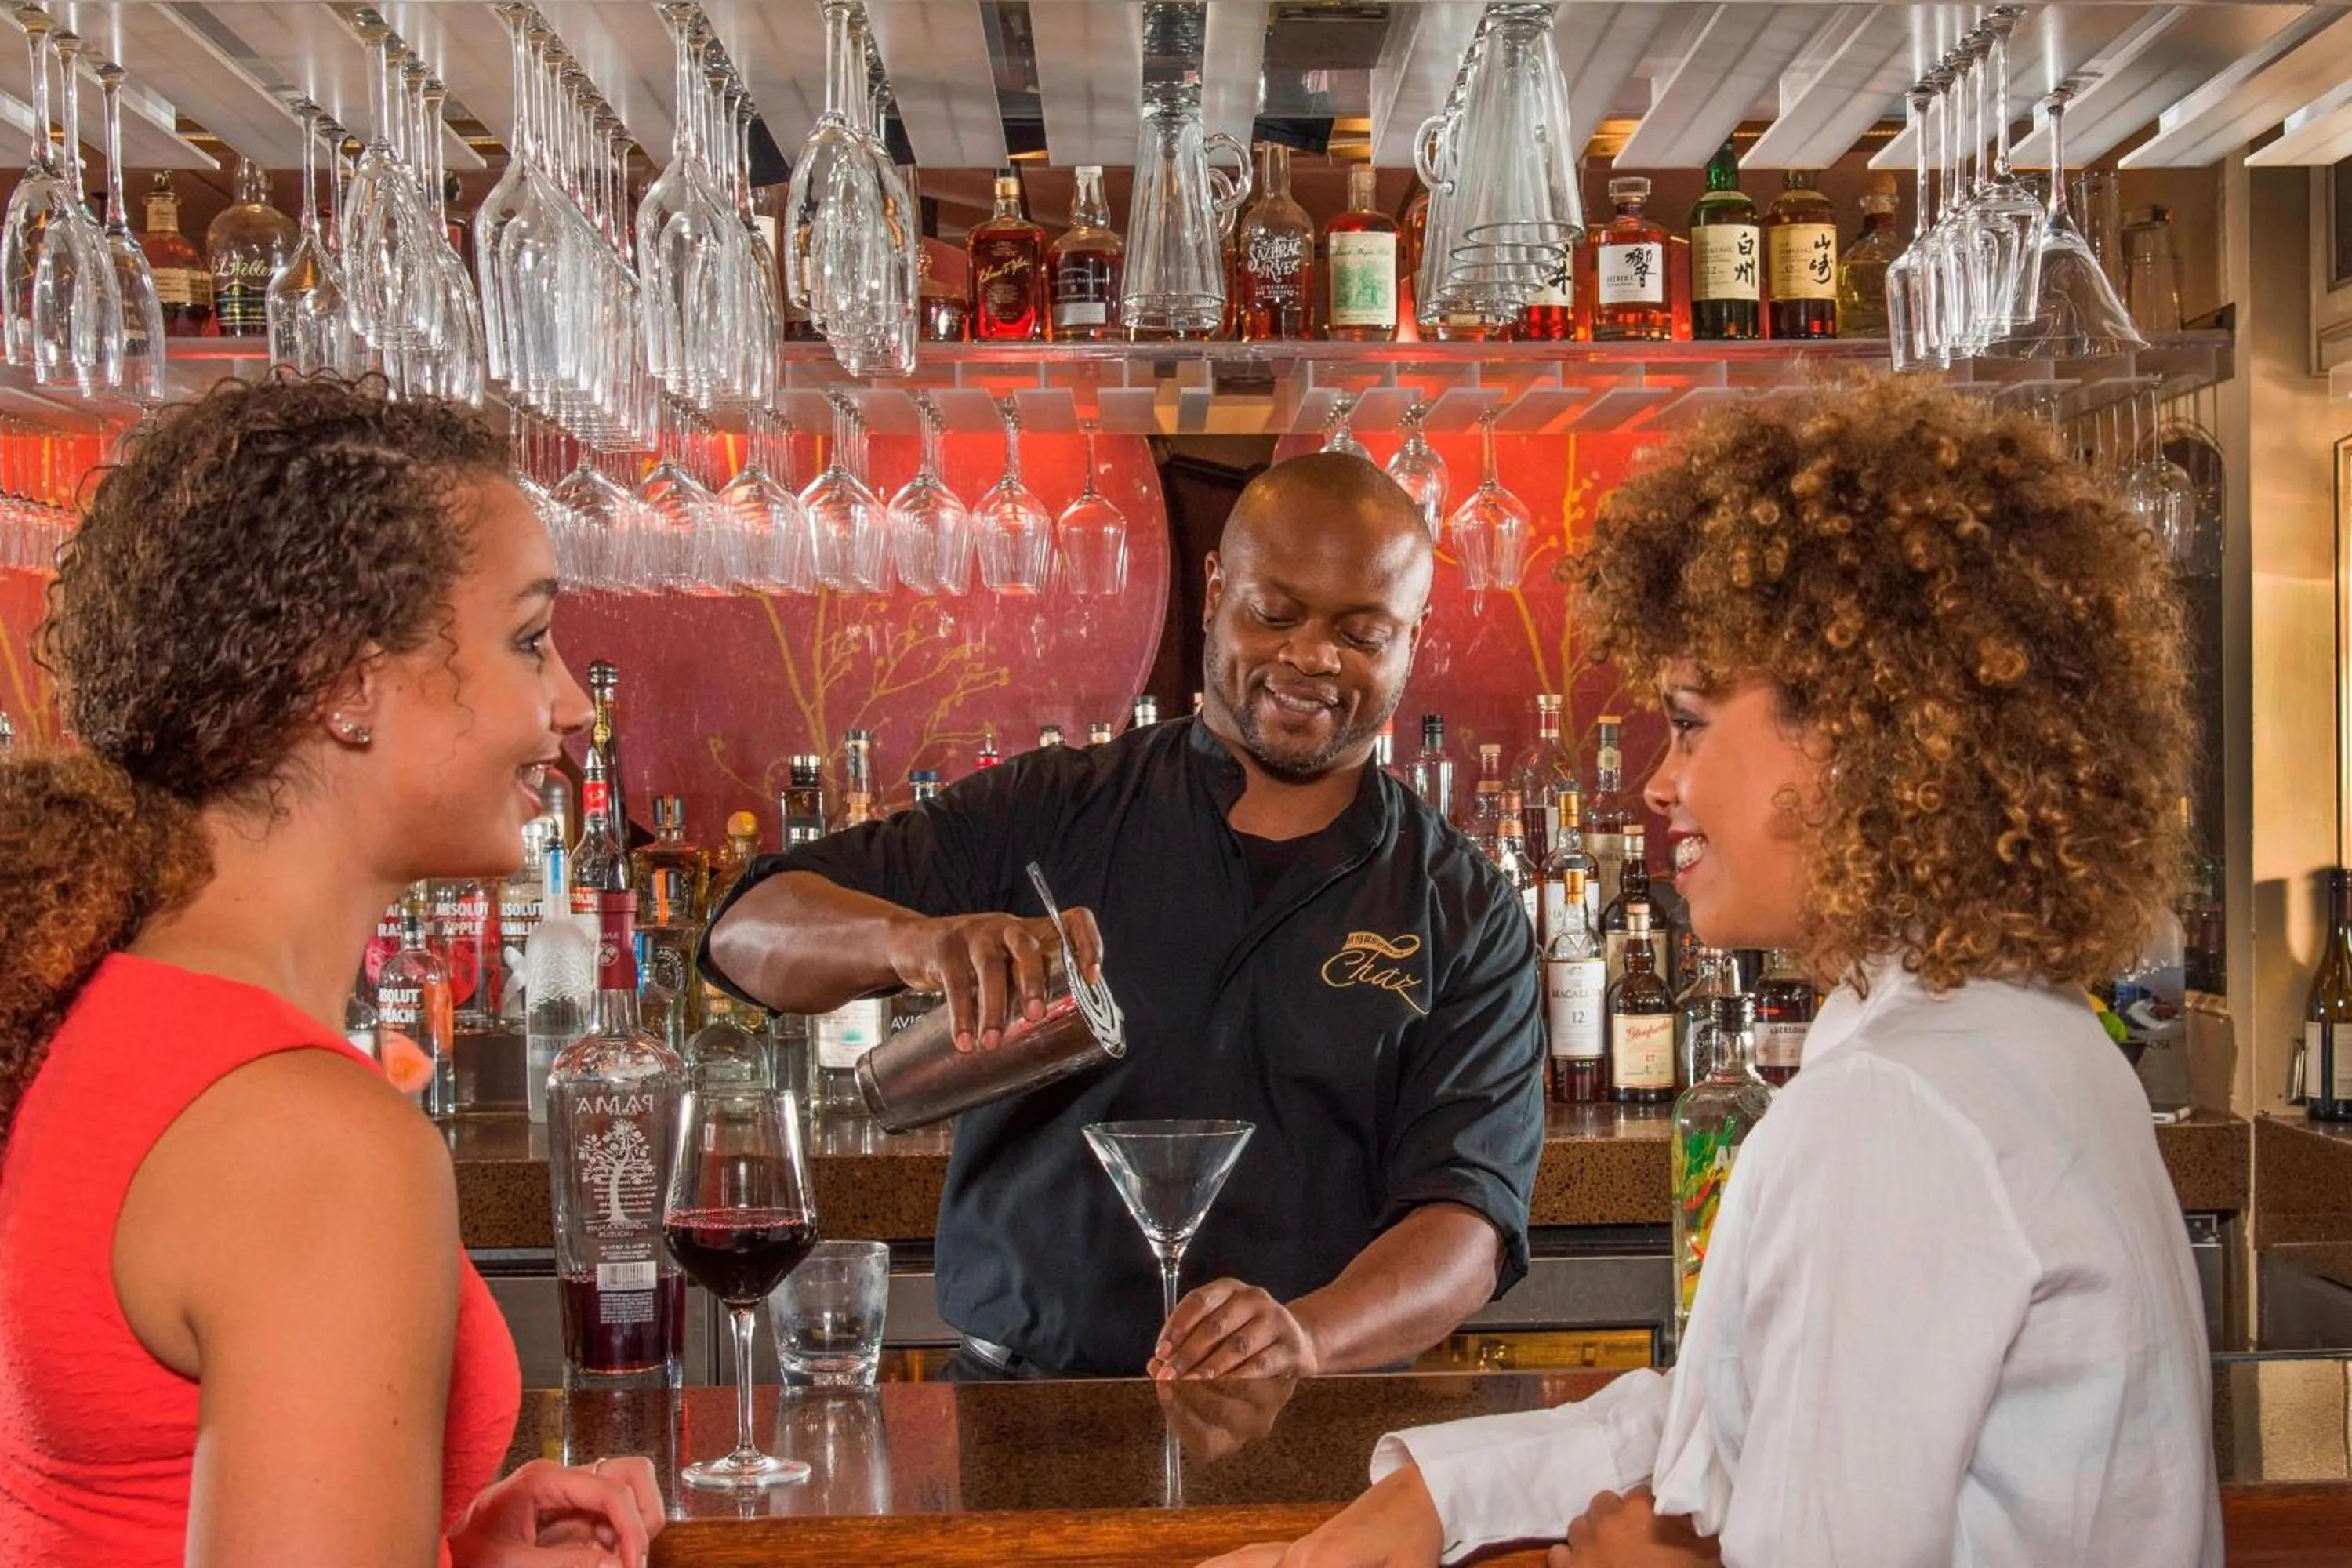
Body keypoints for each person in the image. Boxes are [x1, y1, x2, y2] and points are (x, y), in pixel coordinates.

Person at [1207, 379, 2218, 1566]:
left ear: (1853, 735)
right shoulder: (2020, 1039)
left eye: (1689, 722)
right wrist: (1429, 1505)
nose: (1658, 782)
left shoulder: (1896, 1110)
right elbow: (1725, 1406)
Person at [0, 378, 665, 1567]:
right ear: (346, 686)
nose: (568, 703)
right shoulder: (313, 1142)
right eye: (528, 640)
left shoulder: (104, 1013)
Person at [705, 452, 1545, 1380]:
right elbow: (745, 930)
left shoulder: (1462, 907)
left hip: (1311, 1431)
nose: (1312, 656)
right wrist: (913, 940)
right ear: (1217, 588)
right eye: (1276, 612)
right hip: (1016, 1421)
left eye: (1362, 632)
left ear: (1412, 639)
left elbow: (1468, 1223)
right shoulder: (1052, 809)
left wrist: (1307, 1337)